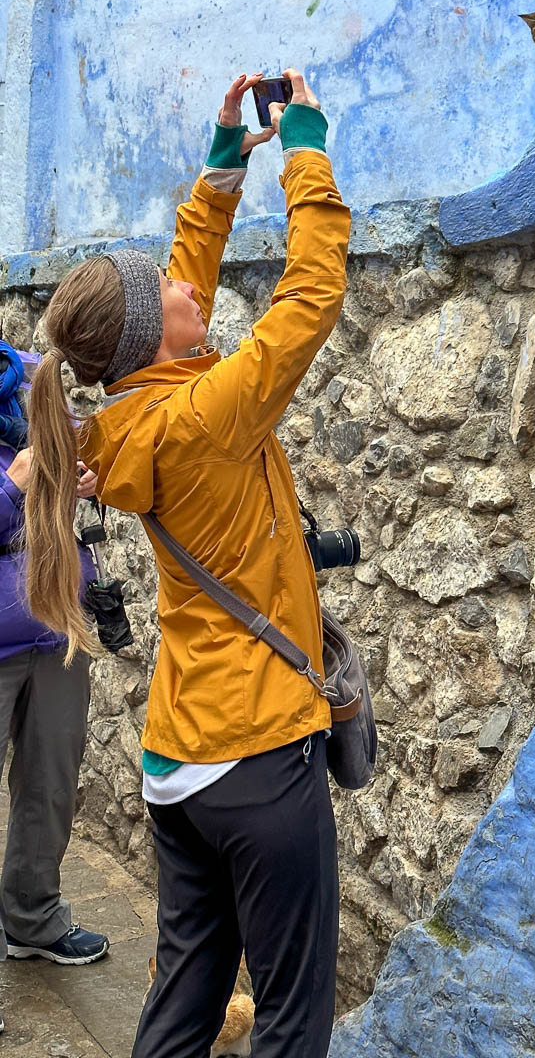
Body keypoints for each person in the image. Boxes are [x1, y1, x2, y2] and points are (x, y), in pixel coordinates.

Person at [23, 69, 351, 1058]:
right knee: (292, 1017)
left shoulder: (132, 411)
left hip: (180, 763)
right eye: (166, 289)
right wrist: (305, 152)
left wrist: (218, 172)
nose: (186, 283)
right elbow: (310, 294)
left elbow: (176, 287)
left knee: (185, 999)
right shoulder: (206, 416)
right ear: (145, 335)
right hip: (257, 755)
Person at [0, 344, 110, 1031]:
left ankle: (33, 919)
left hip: (56, 627)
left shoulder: (34, 375)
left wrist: (87, 477)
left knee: (51, 786)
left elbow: (77, 461)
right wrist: (13, 487)